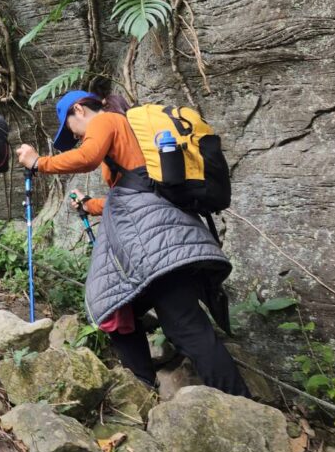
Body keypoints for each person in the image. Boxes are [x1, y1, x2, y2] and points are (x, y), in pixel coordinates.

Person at [15, 90, 251, 396]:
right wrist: (90, 205)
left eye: (71, 128)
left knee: (186, 328)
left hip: (154, 246)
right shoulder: (130, 137)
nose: (74, 137)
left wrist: (38, 163)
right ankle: (142, 388)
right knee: (117, 308)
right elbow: (132, 193)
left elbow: (87, 159)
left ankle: (240, 403)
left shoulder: (106, 120)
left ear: (79, 110)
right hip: (158, 238)